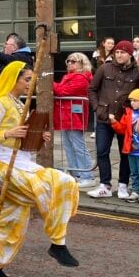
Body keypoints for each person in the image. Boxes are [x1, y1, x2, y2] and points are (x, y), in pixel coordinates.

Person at [0, 62, 80, 277]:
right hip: (4, 166)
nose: (30, 84)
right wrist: (9, 133)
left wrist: (36, 138)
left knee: (12, 223)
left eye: (31, 80)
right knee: (60, 182)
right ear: (13, 79)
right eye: (26, 79)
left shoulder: (19, 103)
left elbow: (22, 139)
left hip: (22, 162)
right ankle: (57, 242)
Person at [87, 40, 139, 199]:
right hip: (105, 118)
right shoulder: (104, 68)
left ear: (130, 54)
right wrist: (97, 108)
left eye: (123, 52)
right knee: (102, 151)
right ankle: (105, 185)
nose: (119, 55)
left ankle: (123, 185)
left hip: (125, 120)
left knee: (125, 152)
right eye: (117, 52)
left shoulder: (138, 72)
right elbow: (92, 89)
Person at [54, 52, 94, 188]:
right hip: (67, 116)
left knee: (78, 146)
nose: (70, 63)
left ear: (82, 64)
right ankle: (76, 173)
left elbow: (62, 91)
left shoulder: (81, 78)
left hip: (74, 116)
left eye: (74, 61)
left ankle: (87, 175)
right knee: (69, 146)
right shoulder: (70, 76)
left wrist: (48, 81)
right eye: (68, 61)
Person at [110, 85, 139, 203]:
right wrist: (114, 122)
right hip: (130, 150)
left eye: (135, 101)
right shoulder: (128, 114)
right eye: (131, 101)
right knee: (134, 173)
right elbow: (122, 130)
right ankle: (136, 191)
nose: (132, 103)